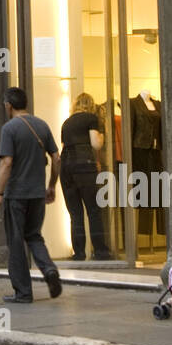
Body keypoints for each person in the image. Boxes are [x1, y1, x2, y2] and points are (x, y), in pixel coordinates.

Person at [0, 87, 62, 304]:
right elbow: (57, 157)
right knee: (34, 236)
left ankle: (23, 292)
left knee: (16, 241)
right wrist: (51, 186)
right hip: (37, 193)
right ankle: (49, 269)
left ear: (8, 106)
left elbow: (7, 163)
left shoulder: (9, 129)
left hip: (16, 195)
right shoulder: (42, 125)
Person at [60, 92, 111, 261]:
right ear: (91, 105)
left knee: (75, 213)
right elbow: (96, 143)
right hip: (84, 166)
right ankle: (100, 251)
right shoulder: (91, 118)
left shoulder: (66, 123)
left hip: (66, 167)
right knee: (93, 210)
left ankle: (79, 252)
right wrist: (102, 135)